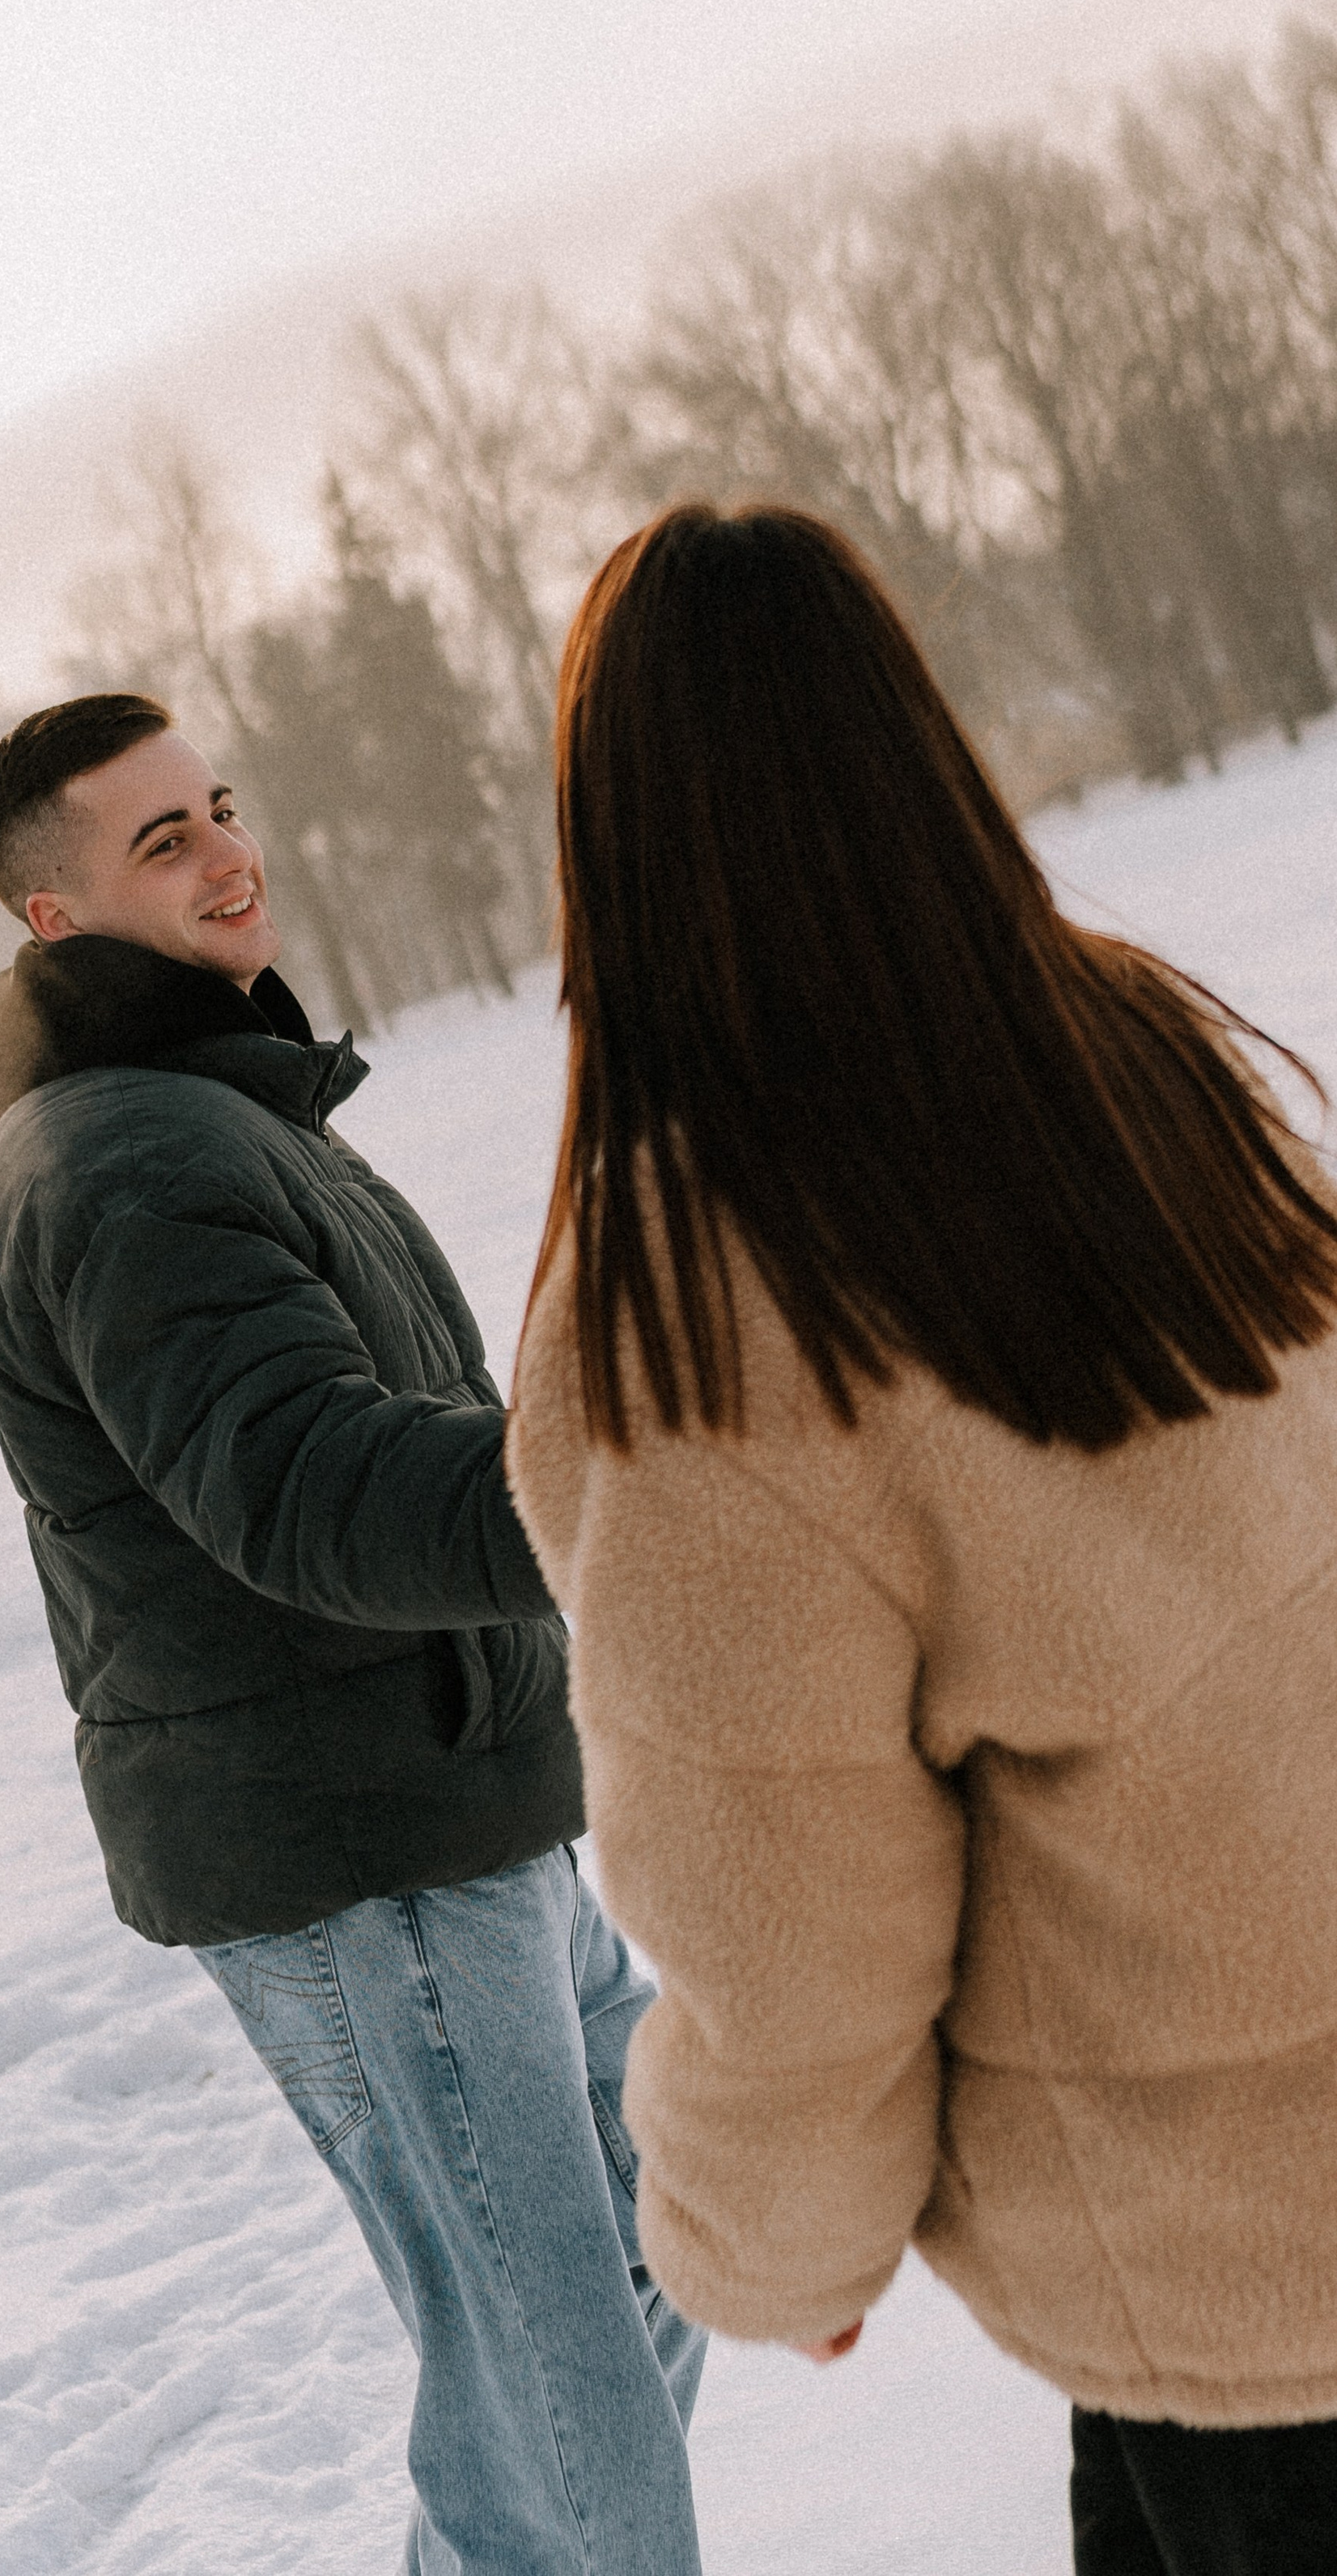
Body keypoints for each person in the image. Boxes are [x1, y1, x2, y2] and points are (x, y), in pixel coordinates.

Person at [507, 500, 1337, 2576]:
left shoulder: (700, 1314)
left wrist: (769, 2243)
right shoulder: (1122, 1046)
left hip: (1233, 2276)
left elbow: (787, 1920)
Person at [0, 691, 706, 2576]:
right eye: (161, 841)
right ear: (56, 920)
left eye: (215, 808)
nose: (227, 853)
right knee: (565, 2396)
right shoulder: (130, 1165)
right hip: (360, 1857)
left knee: (650, 2247)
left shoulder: (205, 1115)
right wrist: (629, 1486)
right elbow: (303, 1484)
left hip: (456, 1811)